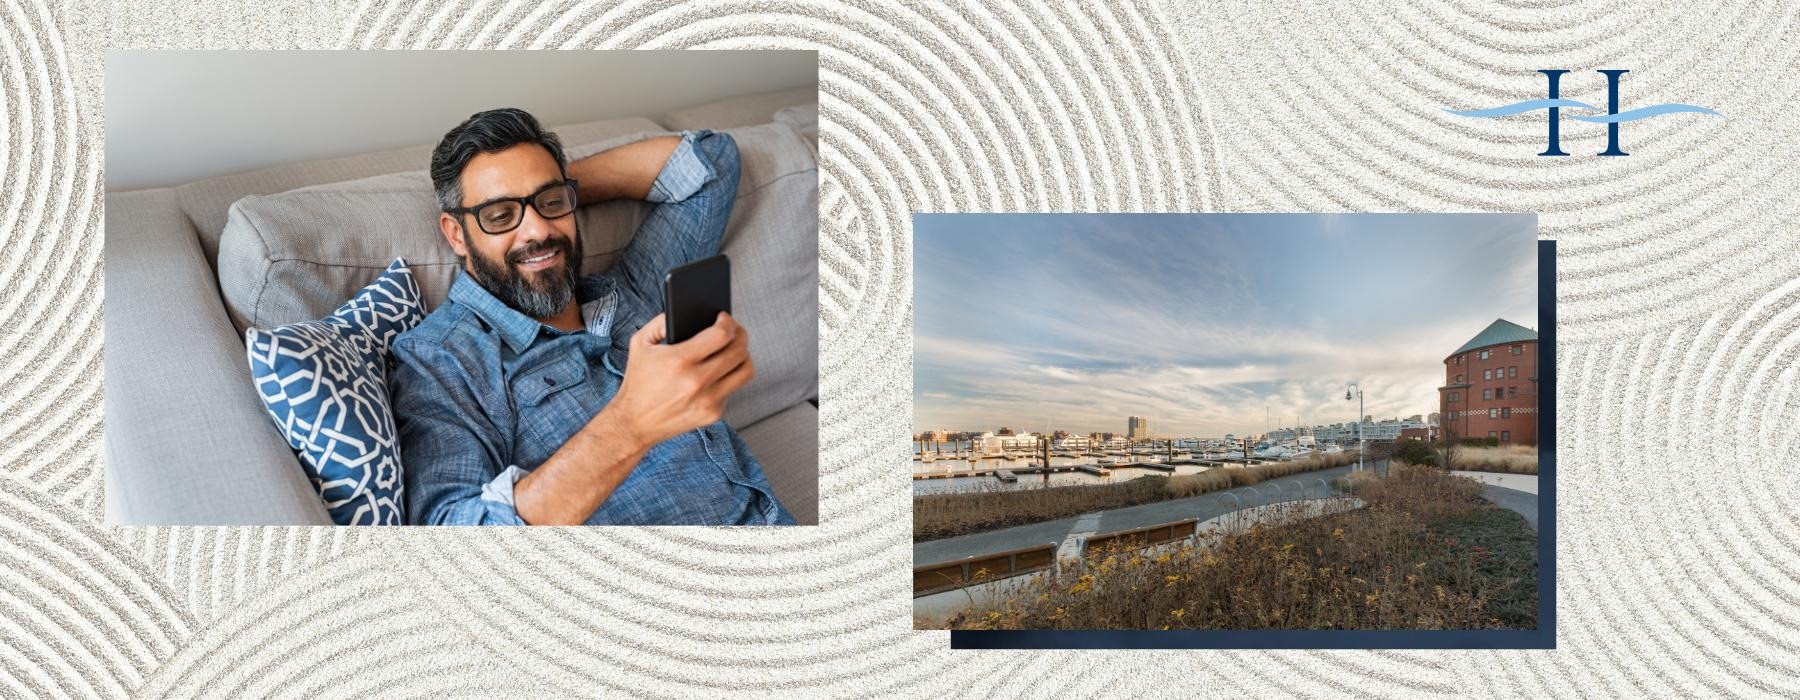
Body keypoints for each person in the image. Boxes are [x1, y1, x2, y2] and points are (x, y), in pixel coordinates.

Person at [389, 107, 793, 526]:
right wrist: (630, 423)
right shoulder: (441, 359)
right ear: (456, 233)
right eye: (500, 215)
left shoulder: (632, 290)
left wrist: (554, 189)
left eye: (552, 204)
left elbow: (712, 162)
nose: (538, 231)